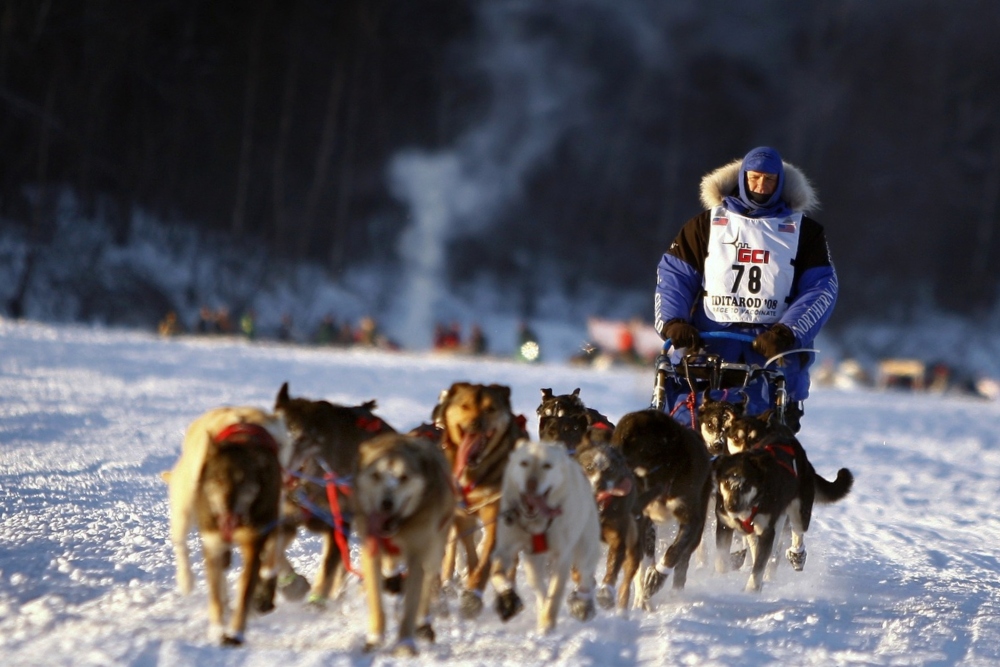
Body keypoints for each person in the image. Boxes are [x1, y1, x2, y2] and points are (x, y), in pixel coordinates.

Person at [654, 146, 838, 432]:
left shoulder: (806, 232)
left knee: (762, 433)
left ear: (780, 182)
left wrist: (788, 332)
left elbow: (821, 289)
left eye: (769, 180)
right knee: (686, 421)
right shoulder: (705, 225)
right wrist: (674, 322)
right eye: (754, 178)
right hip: (709, 340)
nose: (761, 186)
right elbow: (675, 277)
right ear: (742, 177)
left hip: (771, 346)